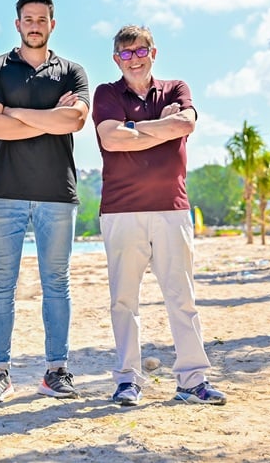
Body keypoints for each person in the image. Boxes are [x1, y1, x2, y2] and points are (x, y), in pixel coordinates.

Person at [92, 24, 226, 406]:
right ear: (116, 59)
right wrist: (158, 128)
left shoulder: (177, 88)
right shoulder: (106, 93)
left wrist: (134, 129)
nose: (133, 59)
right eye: (125, 54)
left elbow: (185, 123)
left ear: (154, 52)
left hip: (172, 208)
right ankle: (127, 381)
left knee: (181, 297)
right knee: (124, 300)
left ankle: (192, 381)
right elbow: (110, 138)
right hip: (121, 211)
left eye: (140, 51)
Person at [0, 0, 90, 403]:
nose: (35, 24)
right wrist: (47, 119)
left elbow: (75, 119)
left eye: (42, 19)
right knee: (0, 284)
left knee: (56, 284)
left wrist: (17, 112)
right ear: (17, 24)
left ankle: (57, 370)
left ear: (52, 25)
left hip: (57, 193)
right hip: (4, 193)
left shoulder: (72, 71)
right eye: (28, 19)